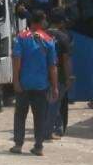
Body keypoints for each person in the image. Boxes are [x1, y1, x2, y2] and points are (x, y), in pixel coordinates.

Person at [10, 10, 58, 156]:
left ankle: (18, 145)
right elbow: (52, 66)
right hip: (41, 85)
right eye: (44, 20)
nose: (45, 23)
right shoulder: (48, 40)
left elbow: (16, 59)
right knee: (40, 117)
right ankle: (38, 146)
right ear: (41, 21)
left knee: (20, 115)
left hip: (23, 84)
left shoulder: (21, 38)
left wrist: (16, 80)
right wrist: (55, 86)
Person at [44, 7, 74, 140]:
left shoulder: (41, 35)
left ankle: (52, 128)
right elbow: (66, 60)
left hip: (43, 75)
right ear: (61, 22)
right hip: (59, 75)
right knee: (54, 104)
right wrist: (69, 77)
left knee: (46, 104)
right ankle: (48, 132)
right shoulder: (63, 38)